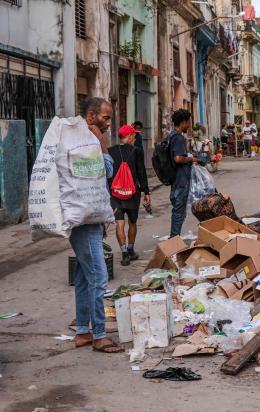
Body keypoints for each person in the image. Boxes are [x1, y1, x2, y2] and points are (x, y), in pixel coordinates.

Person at [73, 97, 123, 353]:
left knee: (83, 277)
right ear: (91, 116)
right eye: (105, 118)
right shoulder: (86, 141)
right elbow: (106, 170)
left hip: (86, 218)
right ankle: (100, 335)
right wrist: (103, 143)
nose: (107, 123)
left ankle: (83, 331)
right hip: (85, 222)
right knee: (98, 278)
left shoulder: (80, 138)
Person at [108, 124, 150, 266]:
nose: (135, 137)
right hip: (132, 193)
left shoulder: (110, 151)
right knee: (132, 222)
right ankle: (131, 250)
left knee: (119, 223)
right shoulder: (136, 151)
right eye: (134, 135)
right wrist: (146, 192)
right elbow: (141, 172)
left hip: (115, 193)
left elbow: (107, 173)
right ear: (130, 136)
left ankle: (124, 252)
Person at [168, 109, 198, 238]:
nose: (189, 125)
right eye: (188, 122)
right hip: (180, 180)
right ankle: (174, 238)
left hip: (176, 178)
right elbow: (178, 158)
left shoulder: (171, 136)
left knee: (179, 210)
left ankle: (174, 237)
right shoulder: (178, 138)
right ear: (183, 122)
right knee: (179, 211)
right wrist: (191, 159)